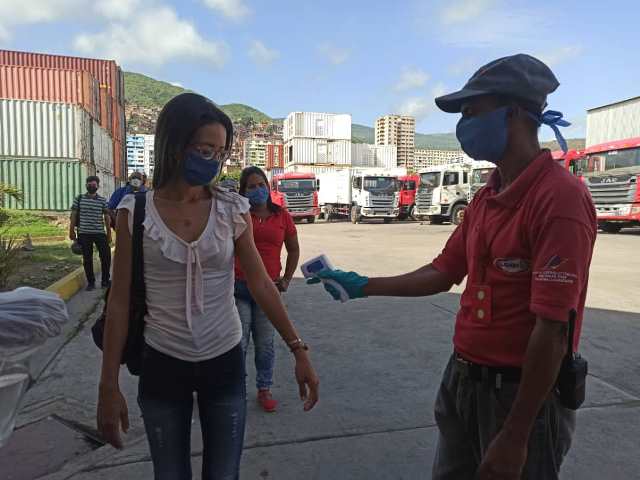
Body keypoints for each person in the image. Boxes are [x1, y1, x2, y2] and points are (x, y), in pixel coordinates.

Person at [310, 54, 596, 480]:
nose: (463, 125)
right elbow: (443, 272)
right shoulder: (486, 197)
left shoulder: (559, 198)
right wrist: (363, 284)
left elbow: (553, 330)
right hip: (463, 379)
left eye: (471, 112)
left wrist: (516, 434)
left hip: (519, 397)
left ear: (514, 113)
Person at [97, 93, 319, 480]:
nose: (214, 161)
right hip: (162, 362)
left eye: (220, 152)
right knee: (170, 474)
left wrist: (298, 349)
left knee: (223, 474)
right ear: (174, 145)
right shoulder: (136, 212)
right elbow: (118, 302)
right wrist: (108, 385)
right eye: (204, 150)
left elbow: (261, 283)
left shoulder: (231, 209)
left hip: (224, 359)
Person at [235, 166, 300, 412]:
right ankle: (236, 389)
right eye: (251, 186)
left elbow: (293, 249)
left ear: (268, 187)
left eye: (261, 185)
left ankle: (264, 388)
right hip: (238, 288)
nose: (257, 190)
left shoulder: (282, 216)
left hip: (269, 290)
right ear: (243, 191)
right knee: (239, 342)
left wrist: (287, 279)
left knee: (265, 344)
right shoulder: (237, 215)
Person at [69, 176, 112, 291]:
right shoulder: (79, 199)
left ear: (98, 186)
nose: (91, 186)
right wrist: (71, 230)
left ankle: (105, 281)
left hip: (99, 233)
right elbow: (73, 215)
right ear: (86, 185)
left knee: (106, 257)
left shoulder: (102, 200)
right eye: (89, 185)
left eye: (93, 185)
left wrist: (109, 233)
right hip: (84, 233)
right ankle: (91, 283)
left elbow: (107, 217)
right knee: (87, 259)